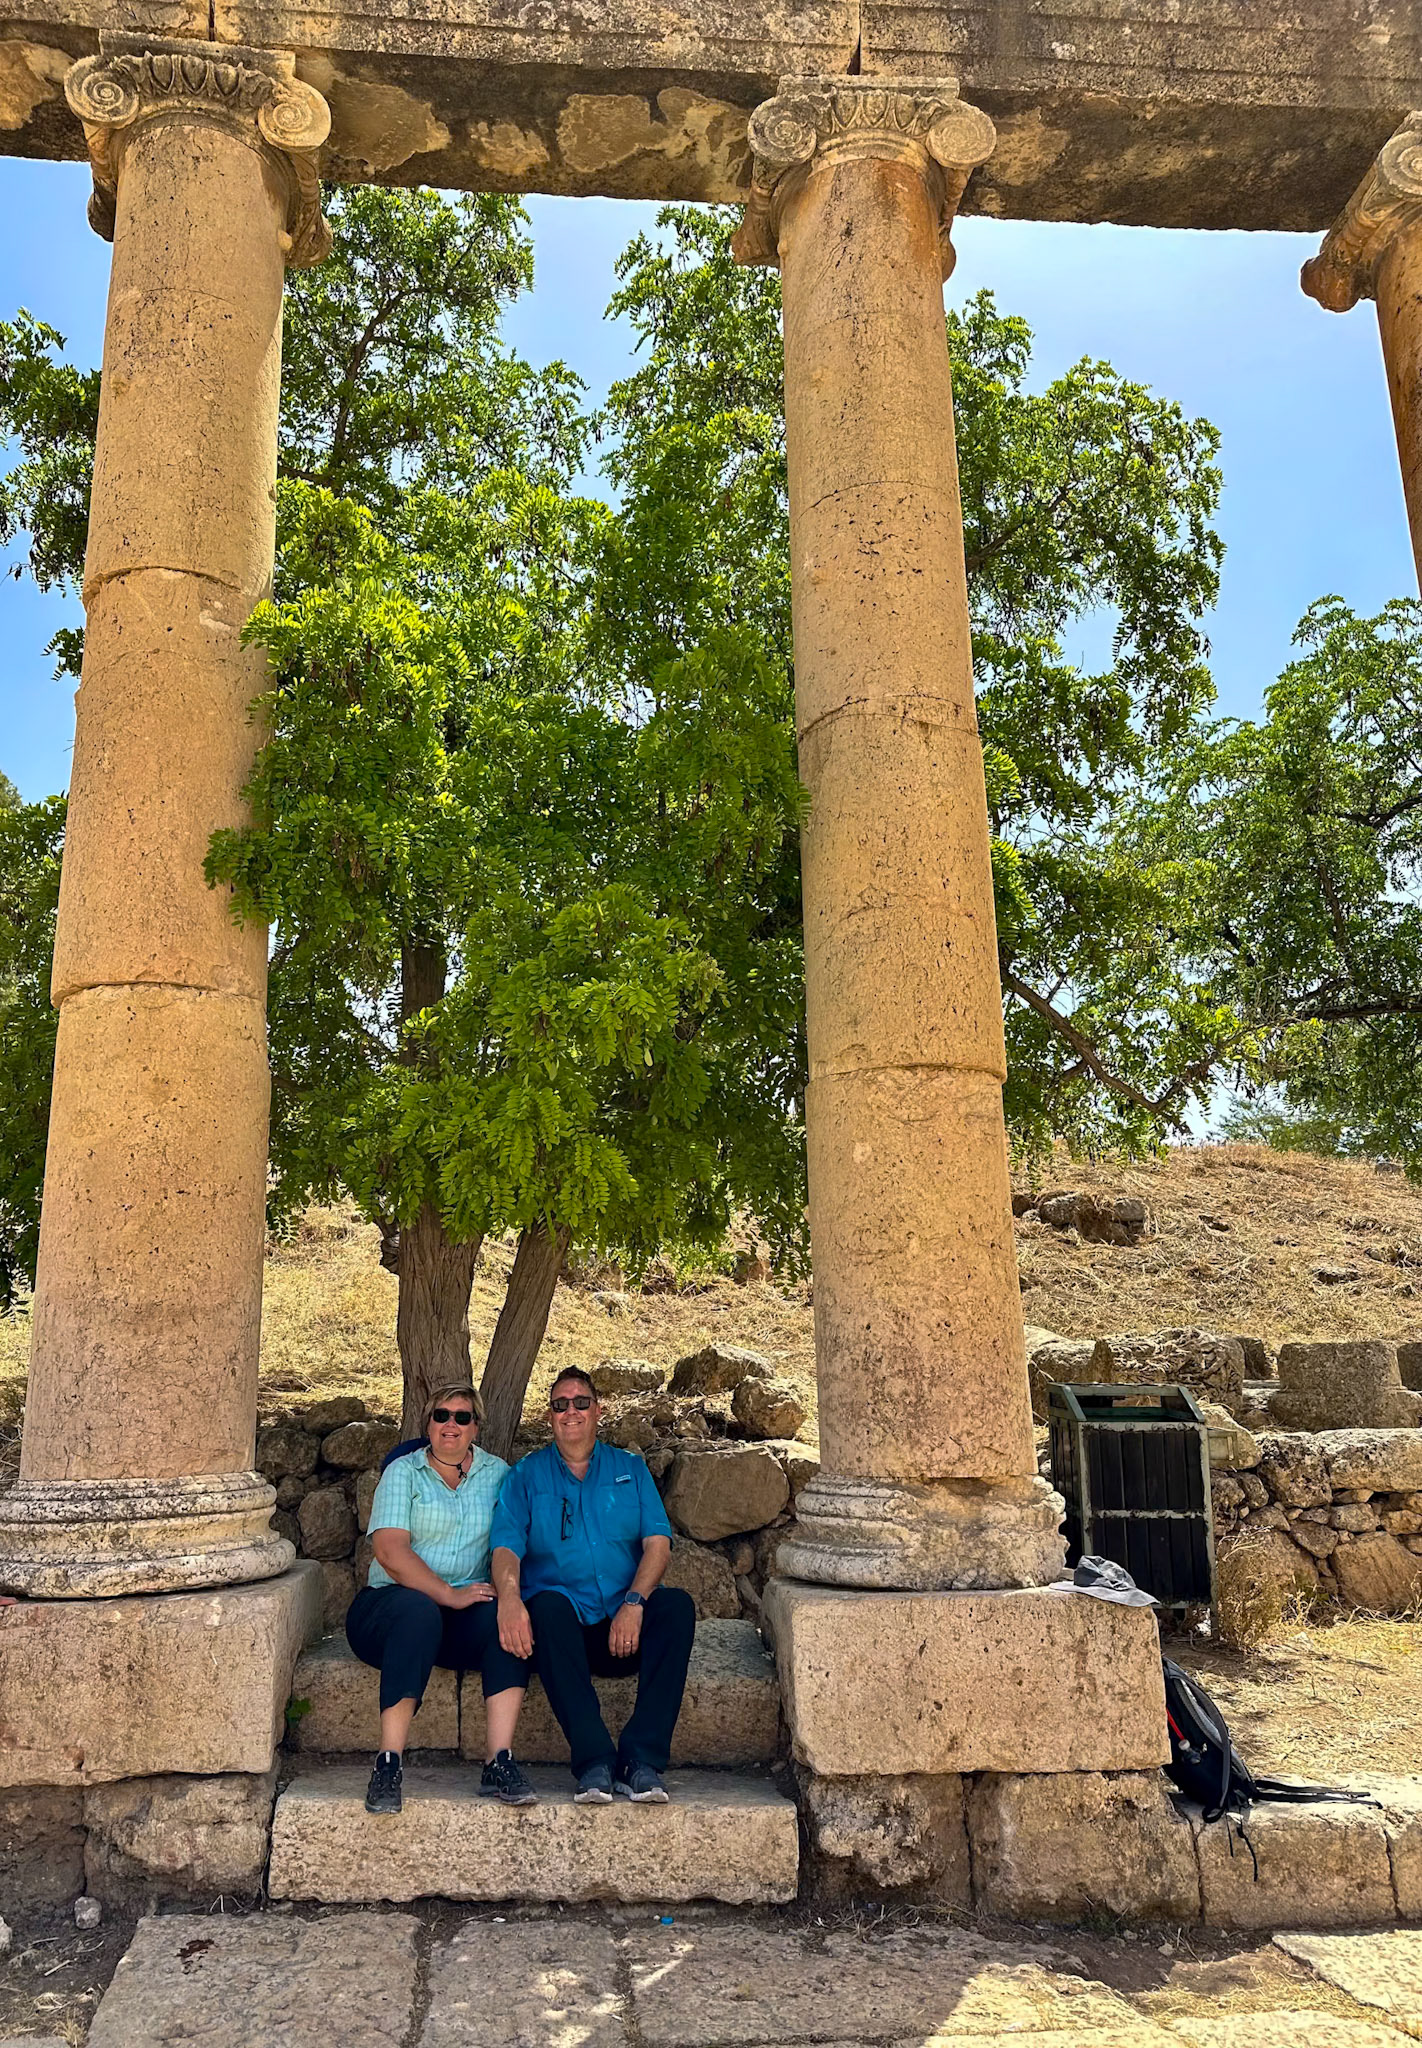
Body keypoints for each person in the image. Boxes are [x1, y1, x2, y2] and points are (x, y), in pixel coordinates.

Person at [490, 1365, 695, 1805]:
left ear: (597, 1410)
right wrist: (509, 1600)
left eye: (581, 1402)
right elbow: (506, 1548)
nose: (571, 1412)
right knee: (545, 1606)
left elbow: (657, 1545)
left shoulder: (631, 1469)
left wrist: (635, 1602)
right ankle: (594, 1762)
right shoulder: (525, 1476)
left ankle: (640, 1762)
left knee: (676, 1608)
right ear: (550, 1417)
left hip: (627, 1625)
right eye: (560, 1405)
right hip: (565, 1636)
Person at [345, 1382, 536, 1814]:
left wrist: (508, 1600)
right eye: (441, 1416)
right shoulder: (403, 1472)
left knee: (504, 1618)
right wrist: (446, 1594)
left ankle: (498, 1760)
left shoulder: (499, 1476)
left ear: (476, 1427)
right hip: (388, 1608)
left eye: (462, 1417)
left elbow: (511, 1543)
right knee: (419, 1611)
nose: (451, 1424)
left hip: (459, 1613)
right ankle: (388, 1763)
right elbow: (391, 1552)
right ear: (427, 1424)